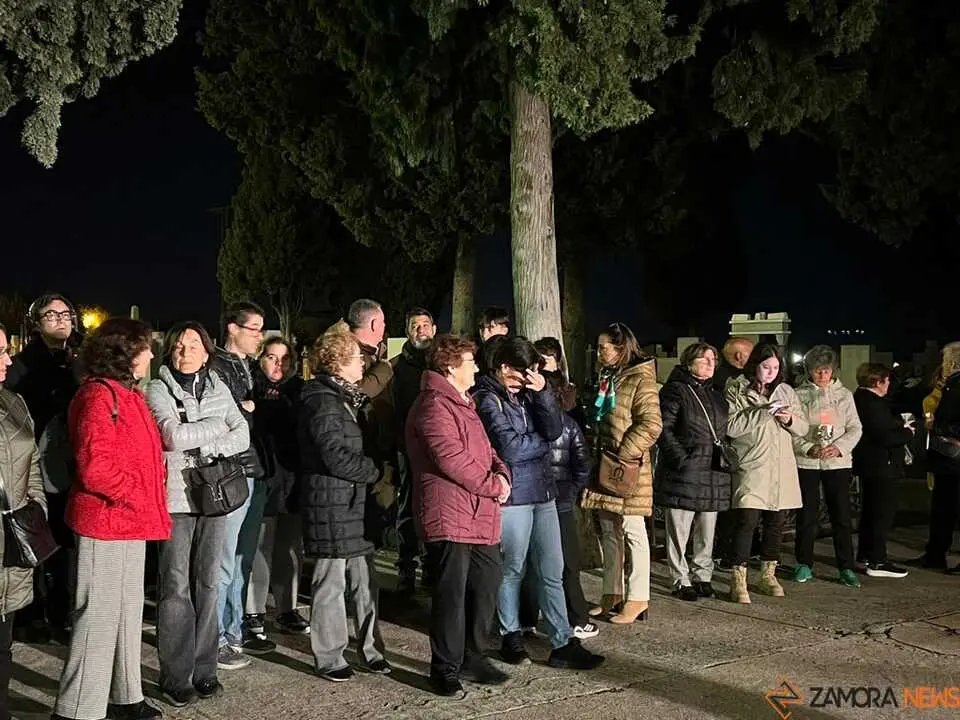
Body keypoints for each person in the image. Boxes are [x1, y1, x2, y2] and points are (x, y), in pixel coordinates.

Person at [52, 319, 169, 720]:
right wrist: (135, 492)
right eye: (145, 346)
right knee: (98, 617)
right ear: (124, 352)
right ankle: (76, 710)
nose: (151, 353)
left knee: (126, 611)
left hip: (129, 519)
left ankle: (126, 696)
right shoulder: (97, 396)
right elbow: (94, 467)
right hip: (106, 519)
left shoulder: (127, 394)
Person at [476, 337, 603, 670]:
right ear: (504, 367)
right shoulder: (487, 399)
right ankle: (510, 634)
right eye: (524, 370)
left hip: (544, 493)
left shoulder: (530, 393)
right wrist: (543, 443)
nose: (528, 377)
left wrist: (544, 391)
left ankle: (563, 641)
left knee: (552, 570)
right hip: (514, 496)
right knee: (512, 568)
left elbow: (555, 427)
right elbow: (510, 448)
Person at [145, 322, 250, 707]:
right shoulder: (157, 389)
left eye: (193, 345)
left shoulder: (219, 387)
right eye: (178, 345)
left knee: (208, 583)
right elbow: (171, 436)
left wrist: (207, 445)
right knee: (175, 587)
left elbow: (243, 434)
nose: (185, 351)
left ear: (207, 352)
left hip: (214, 497)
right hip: (176, 500)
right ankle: (175, 676)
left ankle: (205, 669)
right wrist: (217, 428)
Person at [405, 334, 511, 696]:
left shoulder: (464, 403)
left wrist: (502, 473)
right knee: (451, 594)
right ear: (450, 366)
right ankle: (445, 667)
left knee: (487, 583)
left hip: (478, 512)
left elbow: (487, 449)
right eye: (471, 362)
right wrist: (493, 484)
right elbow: (451, 458)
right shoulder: (433, 405)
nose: (477, 368)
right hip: (449, 513)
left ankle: (473, 655)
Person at [298, 330, 391, 682]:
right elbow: (333, 454)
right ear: (337, 363)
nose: (362, 363)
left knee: (366, 582)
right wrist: (373, 471)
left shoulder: (348, 397)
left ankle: (371, 649)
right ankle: (330, 655)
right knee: (331, 582)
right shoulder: (322, 401)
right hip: (331, 502)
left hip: (354, 503)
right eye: (356, 358)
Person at [5, 292, 80, 643]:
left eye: (65, 314)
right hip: (32, 465)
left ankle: (61, 613)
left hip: (66, 464)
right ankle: (31, 616)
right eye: (51, 315)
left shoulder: (74, 360)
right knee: (33, 537)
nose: (61, 320)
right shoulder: (23, 365)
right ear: (36, 323)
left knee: (63, 543)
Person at [581, 323, 662, 624]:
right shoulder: (607, 378)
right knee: (609, 530)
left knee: (632, 530)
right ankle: (611, 592)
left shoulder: (641, 380)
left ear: (621, 348)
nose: (599, 352)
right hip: (606, 466)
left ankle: (638, 596)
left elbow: (651, 424)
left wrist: (624, 453)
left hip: (627, 469)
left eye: (604, 347)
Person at [518, 338, 596, 638]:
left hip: (544, 494)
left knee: (534, 562)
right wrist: (572, 490)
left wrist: (570, 490)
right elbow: (582, 462)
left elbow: (580, 462)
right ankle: (573, 618)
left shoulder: (532, 422)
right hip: (553, 496)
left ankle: (527, 619)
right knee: (561, 563)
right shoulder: (562, 423)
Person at [214, 302, 275, 664]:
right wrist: (242, 410)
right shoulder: (217, 366)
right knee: (224, 560)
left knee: (242, 559)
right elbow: (220, 417)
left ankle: (235, 630)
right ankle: (217, 636)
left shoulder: (251, 368)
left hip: (255, 469)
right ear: (232, 328)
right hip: (232, 472)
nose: (259, 336)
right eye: (254, 328)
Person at [725, 344, 808, 604]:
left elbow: (804, 427)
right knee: (747, 521)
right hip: (752, 464)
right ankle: (738, 577)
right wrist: (763, 412)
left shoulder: (786, 391)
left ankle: (768, 575)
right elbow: (731, 426)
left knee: (776, 521)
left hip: (781, 467)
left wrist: (789, 419)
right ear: (755, 365)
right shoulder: (737, 389)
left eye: (775, 367)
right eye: (766, 366)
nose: (771, 372)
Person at [654, 342, 730, 601]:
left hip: (712, 470)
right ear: (689, 363)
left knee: (707, 529)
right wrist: (681, 459)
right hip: (684, 471)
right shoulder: (675, 390)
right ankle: (680, 578)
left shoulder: (716, 394)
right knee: (679, 530)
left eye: (713, 359)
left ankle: (702, 575)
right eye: (704, 359)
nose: (710, 363)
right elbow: (663, 429)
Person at [243, 338, 309, 636]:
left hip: (292, 478)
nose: (278, 364)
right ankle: (254, 610)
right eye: (271, 357)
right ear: (261, 359)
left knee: (289, 546)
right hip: (263, 476)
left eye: (284, 358)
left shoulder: (299, 391)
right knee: (260, 545)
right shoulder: (250, 387)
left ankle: (286, 608)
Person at [0, 323, 47, 720]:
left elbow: (32, 462)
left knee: (3, 642)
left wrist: (36, 507)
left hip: (12, 541)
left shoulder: (14, 402)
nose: (8, 359)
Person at [791, 345, 863, 588]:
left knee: (841, 515)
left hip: (837, 463)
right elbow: (791, 429)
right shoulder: (798, 395)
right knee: (806, 514)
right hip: (807, 462)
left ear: (834, 371)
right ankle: (803, 562)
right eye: (817, 370)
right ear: (809, 371)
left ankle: (846, 566)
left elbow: (855, 427)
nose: (822, 375)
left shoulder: (845, 395)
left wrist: (839, 447)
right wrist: (807, 447)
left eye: (826, 370)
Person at [853, 363, 914, 579]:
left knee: (871, 512)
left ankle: (865, 555)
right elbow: (884, 436)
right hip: (882, 465)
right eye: (886, 380)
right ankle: (877, 560)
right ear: (878, 382)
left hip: (871, 465)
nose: (888, 384)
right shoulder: (872, 404)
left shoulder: (861, 400)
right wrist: (908, 432)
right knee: (881, 514)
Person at [392, 308, 437, 594]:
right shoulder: (397, 367)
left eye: (425, 324)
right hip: (407, 447)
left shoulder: (441, 362)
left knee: (434, 506)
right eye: (414, 326)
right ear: (407, 332)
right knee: (408, 507)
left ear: (434, 328)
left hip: (438, 448)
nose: (421, 330)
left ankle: (432, 568)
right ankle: (406, 569)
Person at [916, 342, 960, 571]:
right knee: (944, 507)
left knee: (946, 507)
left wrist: (939, 428)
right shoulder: (950, 385)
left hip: (952, 456)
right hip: (948, 458)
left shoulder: (956, 385)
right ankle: (935, 554)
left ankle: (936, 555)